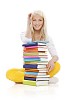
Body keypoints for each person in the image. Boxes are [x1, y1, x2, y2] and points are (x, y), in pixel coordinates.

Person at [6, 10, 60, 83]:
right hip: (29, 70)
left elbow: (55, 55)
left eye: (40, 20)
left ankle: (29, 80)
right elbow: (26, 40)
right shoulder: (24, 34)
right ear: (31, 22)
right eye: (34, 20)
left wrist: (51, 61)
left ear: (44, 22)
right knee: (9, 72)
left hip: (42, 69)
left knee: (57, 65)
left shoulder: (47, 37)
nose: (37, 23)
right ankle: (44, 79)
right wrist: (28, 24)